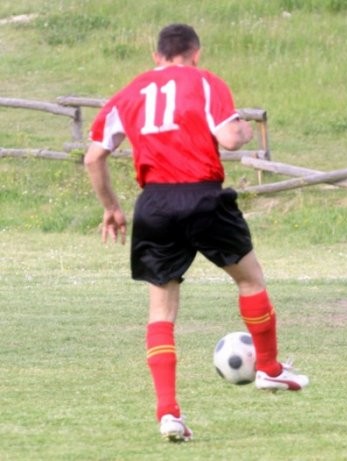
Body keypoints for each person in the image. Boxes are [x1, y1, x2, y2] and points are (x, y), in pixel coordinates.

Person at [84, 23, 309, 443]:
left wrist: (112, 207)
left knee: (161, 312)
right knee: (250, 280)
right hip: (203, 197)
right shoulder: (205, 82)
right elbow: (229, 138)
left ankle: (168, 414)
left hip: (155, 204)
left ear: (157, 56)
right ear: (196, 52)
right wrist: (243, 130)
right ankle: (268, 368)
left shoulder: (128, 93)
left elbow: (93, 157)